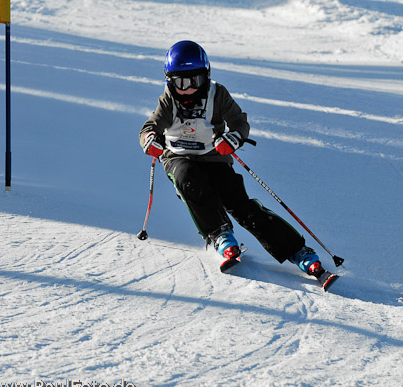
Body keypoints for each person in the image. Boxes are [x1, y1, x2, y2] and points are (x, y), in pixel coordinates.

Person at [139, 40, 336, 286]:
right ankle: (220, 234)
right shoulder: (168, 101)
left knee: (239, 203)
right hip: (178, 156)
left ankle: (298, 251)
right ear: (170, 81)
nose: (188, 89)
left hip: (214, 157)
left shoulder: (217, 94)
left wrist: (233, 139)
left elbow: (239, 122)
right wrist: (150, 140)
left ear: (206, 76)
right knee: (189, 180)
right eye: (180, 82)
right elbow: (150, 127)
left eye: (195, 80)